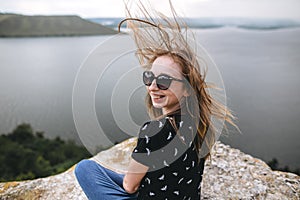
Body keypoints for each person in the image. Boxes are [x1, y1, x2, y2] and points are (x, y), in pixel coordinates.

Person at [75, 1, 236, 199]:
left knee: (85, 169)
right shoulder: (199, 122)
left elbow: (130, 187)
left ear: (186, 89)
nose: (152, 86)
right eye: (149, 77)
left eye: (164, 81)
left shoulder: (154, 131)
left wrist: (131, 178)